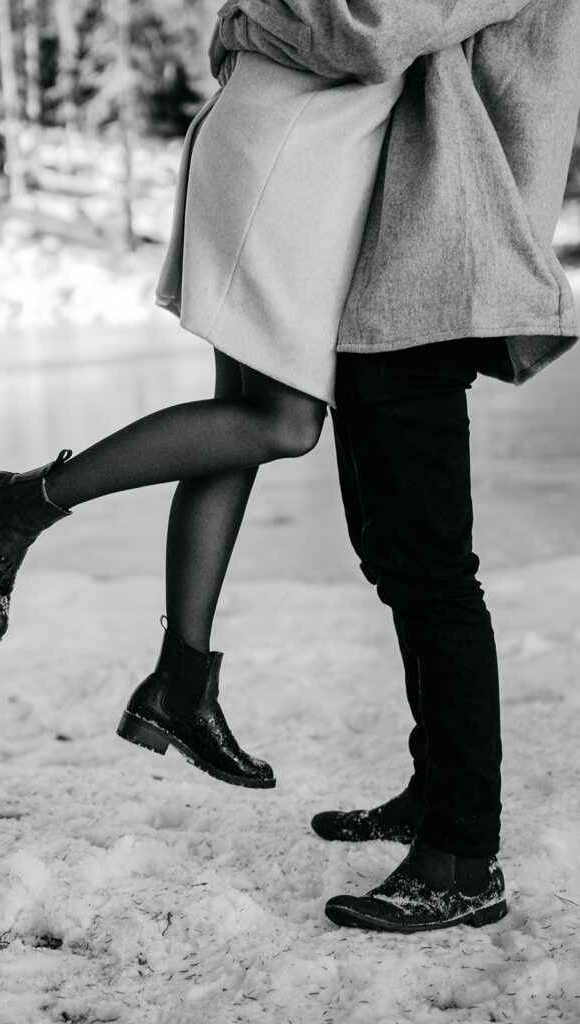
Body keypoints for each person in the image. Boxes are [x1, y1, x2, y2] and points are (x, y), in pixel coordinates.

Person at [0, 23, 406, 791]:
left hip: (297, 150)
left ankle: (180, 684)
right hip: (291, 158)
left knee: (240, 428)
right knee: (284, 423)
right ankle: (16, 506)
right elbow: (379, 32)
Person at [214, 0, 580, 933]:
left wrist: (247, 18)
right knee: (395, 556)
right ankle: (435, 790)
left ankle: (463, 855)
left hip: (435, 258)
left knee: (431, 572)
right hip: (404, 260)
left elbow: (367, 31)